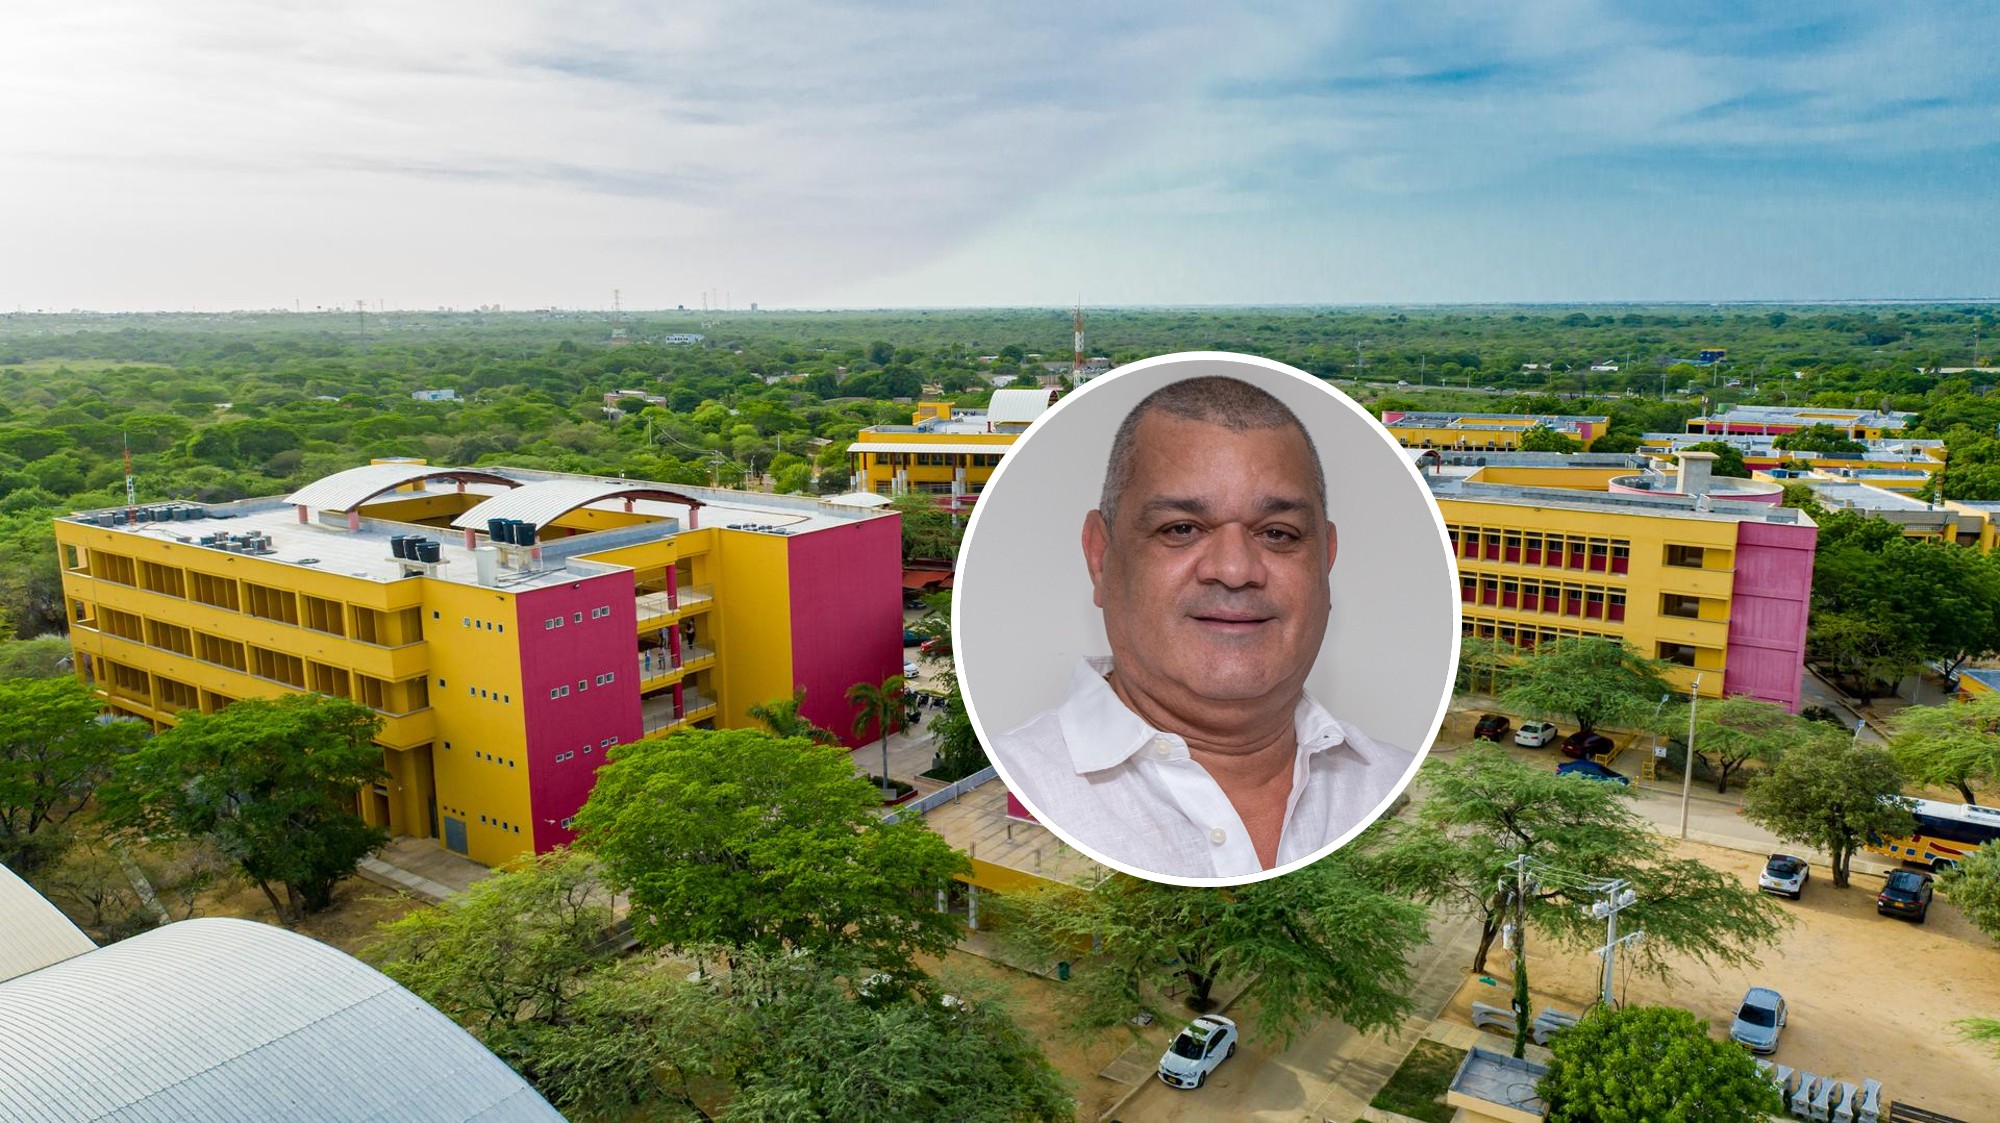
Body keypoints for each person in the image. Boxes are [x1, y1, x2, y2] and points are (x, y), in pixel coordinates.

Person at [990, 375, 1415, 881]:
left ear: (1325, 562)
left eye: (1278, 534)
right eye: (1181, 529)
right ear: (1101, 558)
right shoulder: (1022, 784)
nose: (1234, 570)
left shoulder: (1392, 781)